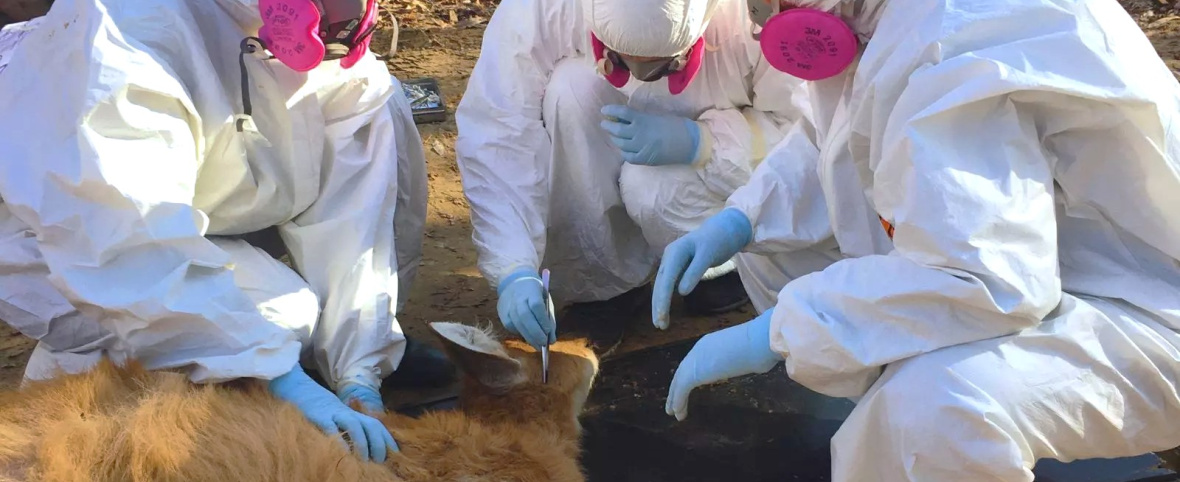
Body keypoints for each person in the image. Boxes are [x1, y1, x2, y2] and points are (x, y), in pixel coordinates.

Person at [652, 0, 1180, 479]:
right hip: (1054, 257)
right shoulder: (879, 15)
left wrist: (778, 330)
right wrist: (740, 219)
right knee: (776, 259)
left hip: (1147, 306)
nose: (759, 17)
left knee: (930, 410)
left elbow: (985, 280)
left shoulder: (946, 42)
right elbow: (830, 135)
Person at [0, 0, 442, 463]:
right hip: (60, 232)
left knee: (383, 101)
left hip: (204, 196)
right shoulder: (125, 34)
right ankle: (78, 429)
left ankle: (317, 360)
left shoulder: (328, 26)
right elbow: (122, 240)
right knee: (281, 317)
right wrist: (272, 372)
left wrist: (359, 368)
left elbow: (353, 208)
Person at [455, 0, 812, 355]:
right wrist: (513, 266)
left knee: (651, 188)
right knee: (571, 88)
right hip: (602, 109)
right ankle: (606, 284)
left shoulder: (760, 15)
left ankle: (722, 264)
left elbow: (805, 137)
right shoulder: (542, 8)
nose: (641, 78)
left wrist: (703, 142)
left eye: (664, 67)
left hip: (713, 152)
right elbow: (500, 132)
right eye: (620, 60)